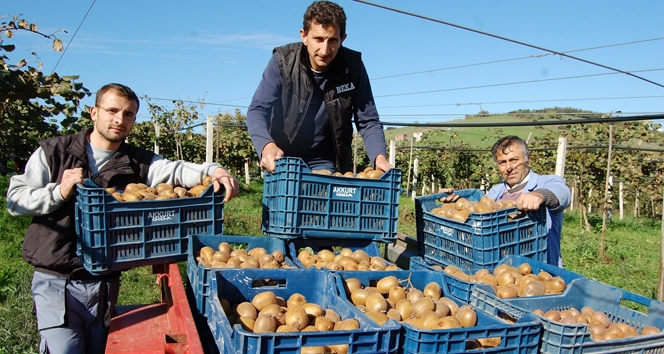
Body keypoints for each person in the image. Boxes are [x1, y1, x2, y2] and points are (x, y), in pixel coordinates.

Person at [6, 83, 240, 354]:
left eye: (128, 114)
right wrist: (58, 191)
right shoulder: (55, 152)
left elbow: (175, 171)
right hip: (56, 279)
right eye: (112, 110)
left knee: (98, 347)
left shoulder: (137, 161)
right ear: (94, 112)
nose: (119, 119)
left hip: (105, 282)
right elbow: (15, 199)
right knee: (64, 349)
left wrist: (215, 170)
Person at [246, 0, 392, 174]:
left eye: (332, 41)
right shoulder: (282, 62)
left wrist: (379, 157)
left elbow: (368, 120)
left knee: (322, 199)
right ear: (304, 36)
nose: (324, 50)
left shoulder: (353, 68)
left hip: (324, 160)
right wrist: (267, 146)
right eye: (319, 39)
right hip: (283, 157)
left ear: (342, 40)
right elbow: (257, 109)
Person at [487, 135, 571, 267]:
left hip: (541, 272)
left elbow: (562, 193)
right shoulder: (495, 192)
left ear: (528, 159)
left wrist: (540, 195)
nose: (509, 167)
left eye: (514, 160)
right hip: (503, 271)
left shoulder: (546, 182)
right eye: (502, 162)